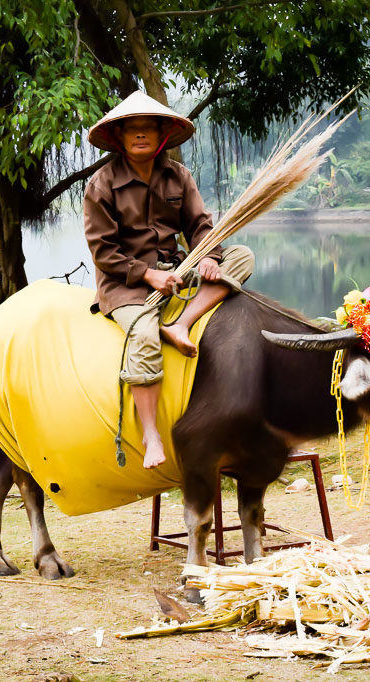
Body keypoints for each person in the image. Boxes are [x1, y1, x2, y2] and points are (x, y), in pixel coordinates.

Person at [83, 91, 254, 470]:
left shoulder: (179, 176)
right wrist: (148, 274)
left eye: (148, 129)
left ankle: (182, 323)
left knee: (242, 258)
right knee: (143, 337)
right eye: (132, 130)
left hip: (179, 273)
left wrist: (209, 257)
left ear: (162, 135)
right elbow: (103, 252)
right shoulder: (101, 184)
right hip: (126, 285)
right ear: (119, 137)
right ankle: (152, 434)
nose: (140, 135)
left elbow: (200, 226)